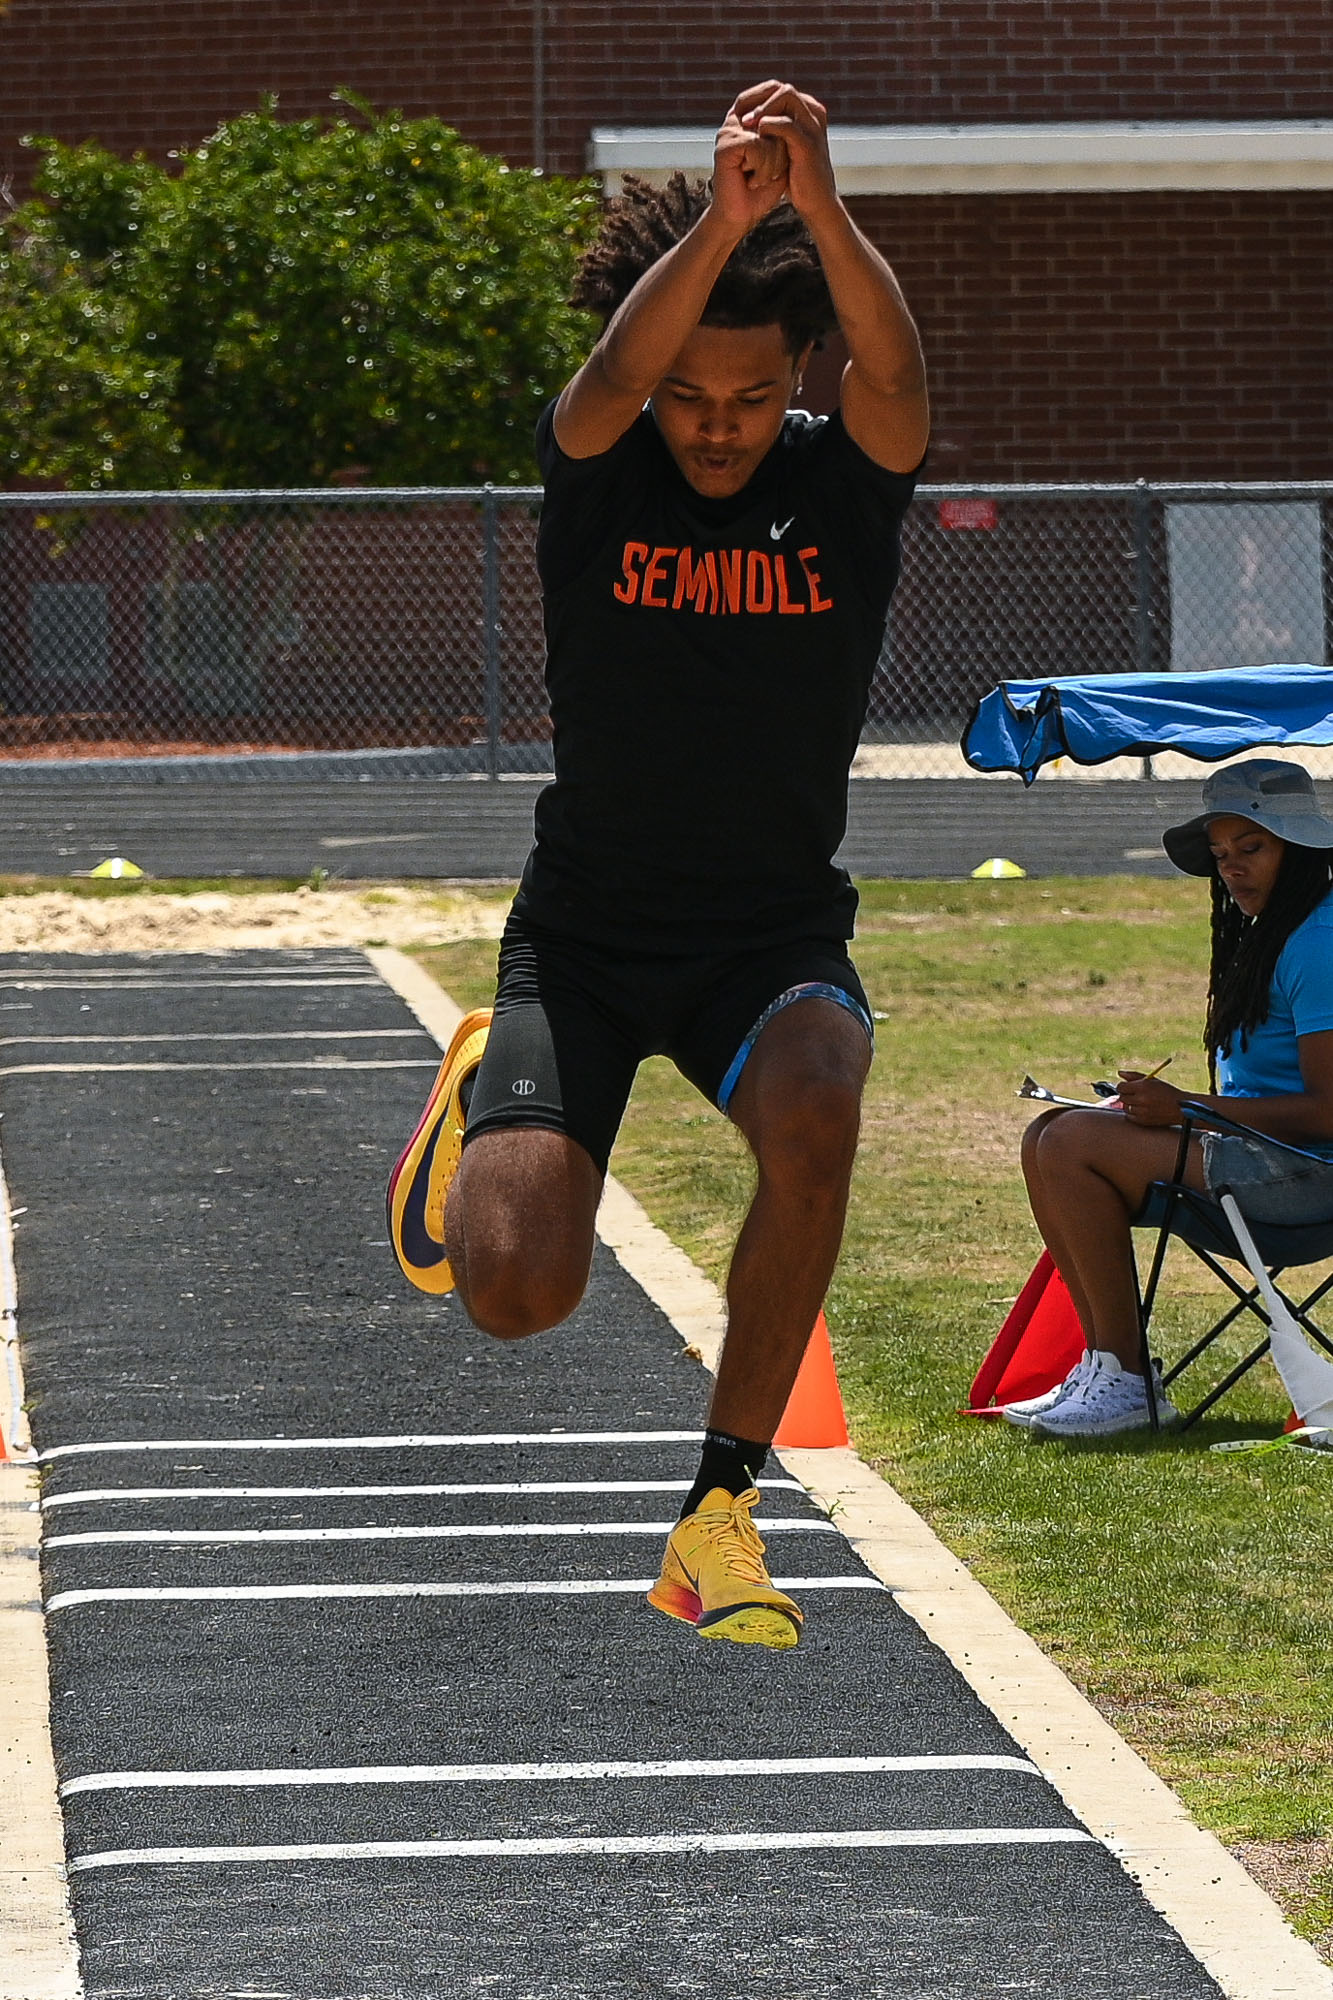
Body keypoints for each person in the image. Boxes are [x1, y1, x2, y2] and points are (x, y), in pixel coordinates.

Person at [388, 80, 929, 1648]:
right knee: (516, 1293)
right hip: (588, 939)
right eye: (690, 395)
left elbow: (898, 369)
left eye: (748, 399)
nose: (713, 424)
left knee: (819, 1102)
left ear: (797, 380)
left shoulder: (841, 486)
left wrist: (817, 206)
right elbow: (617, 373)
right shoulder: (601, 466)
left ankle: (719, 1512)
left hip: (767, 936)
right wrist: (726, 221)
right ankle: (482, 1082)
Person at [1012, 758, 1333, 1439]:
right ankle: (1107, 1368)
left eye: (1251, 848)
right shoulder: (1281, 928)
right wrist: (1180, 1111)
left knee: (1066, 1143)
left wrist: (1189, 1107)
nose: (1232, 868)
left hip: (1309, 1178)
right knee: (1046, 1134)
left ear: (1299, 849)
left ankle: (1125, 1379)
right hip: (1267, 1157)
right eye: (1220, 855)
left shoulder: (1318, 942)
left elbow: (1326, 1113)